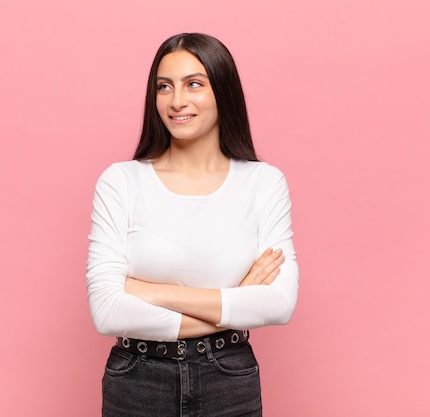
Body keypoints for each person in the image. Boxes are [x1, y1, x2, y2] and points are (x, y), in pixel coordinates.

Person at [86, 32, 299, 417]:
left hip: (229, 380)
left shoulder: (263, 183)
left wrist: (148, 291)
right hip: (137, 381)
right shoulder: (120, 182)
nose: (177, 101)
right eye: (164, 87)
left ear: (223, 91)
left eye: (194, 84)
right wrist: (234, 300)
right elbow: (106, 311)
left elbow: (280, 303)